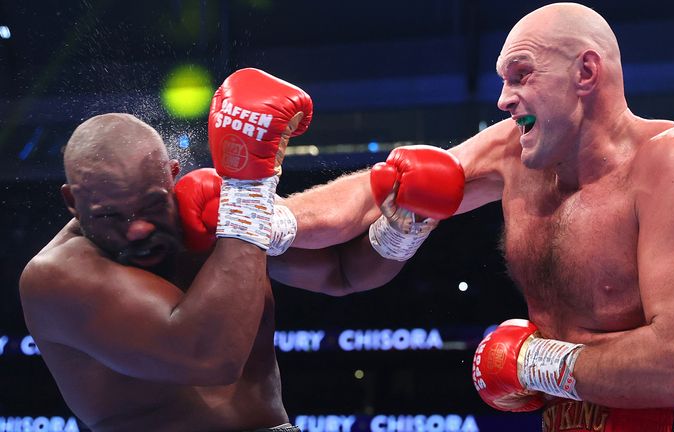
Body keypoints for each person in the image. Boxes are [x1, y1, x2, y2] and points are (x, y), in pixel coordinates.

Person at [278, 3, 674, 431]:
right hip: (570, 416)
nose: (503, 98)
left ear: (585, 73)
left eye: (521, 74)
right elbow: (382, 190)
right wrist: (257, 216)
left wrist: (531, 363)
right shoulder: (513, 152)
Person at [18, 67, 465, 432]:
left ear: (172, 175)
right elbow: (209, 356)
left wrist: (406, 223)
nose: (136, 229)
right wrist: (249, 190)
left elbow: (343, 272)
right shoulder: (55, 276)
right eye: (108, 216)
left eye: (151, 204)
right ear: (72, 201)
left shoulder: (211, 215)